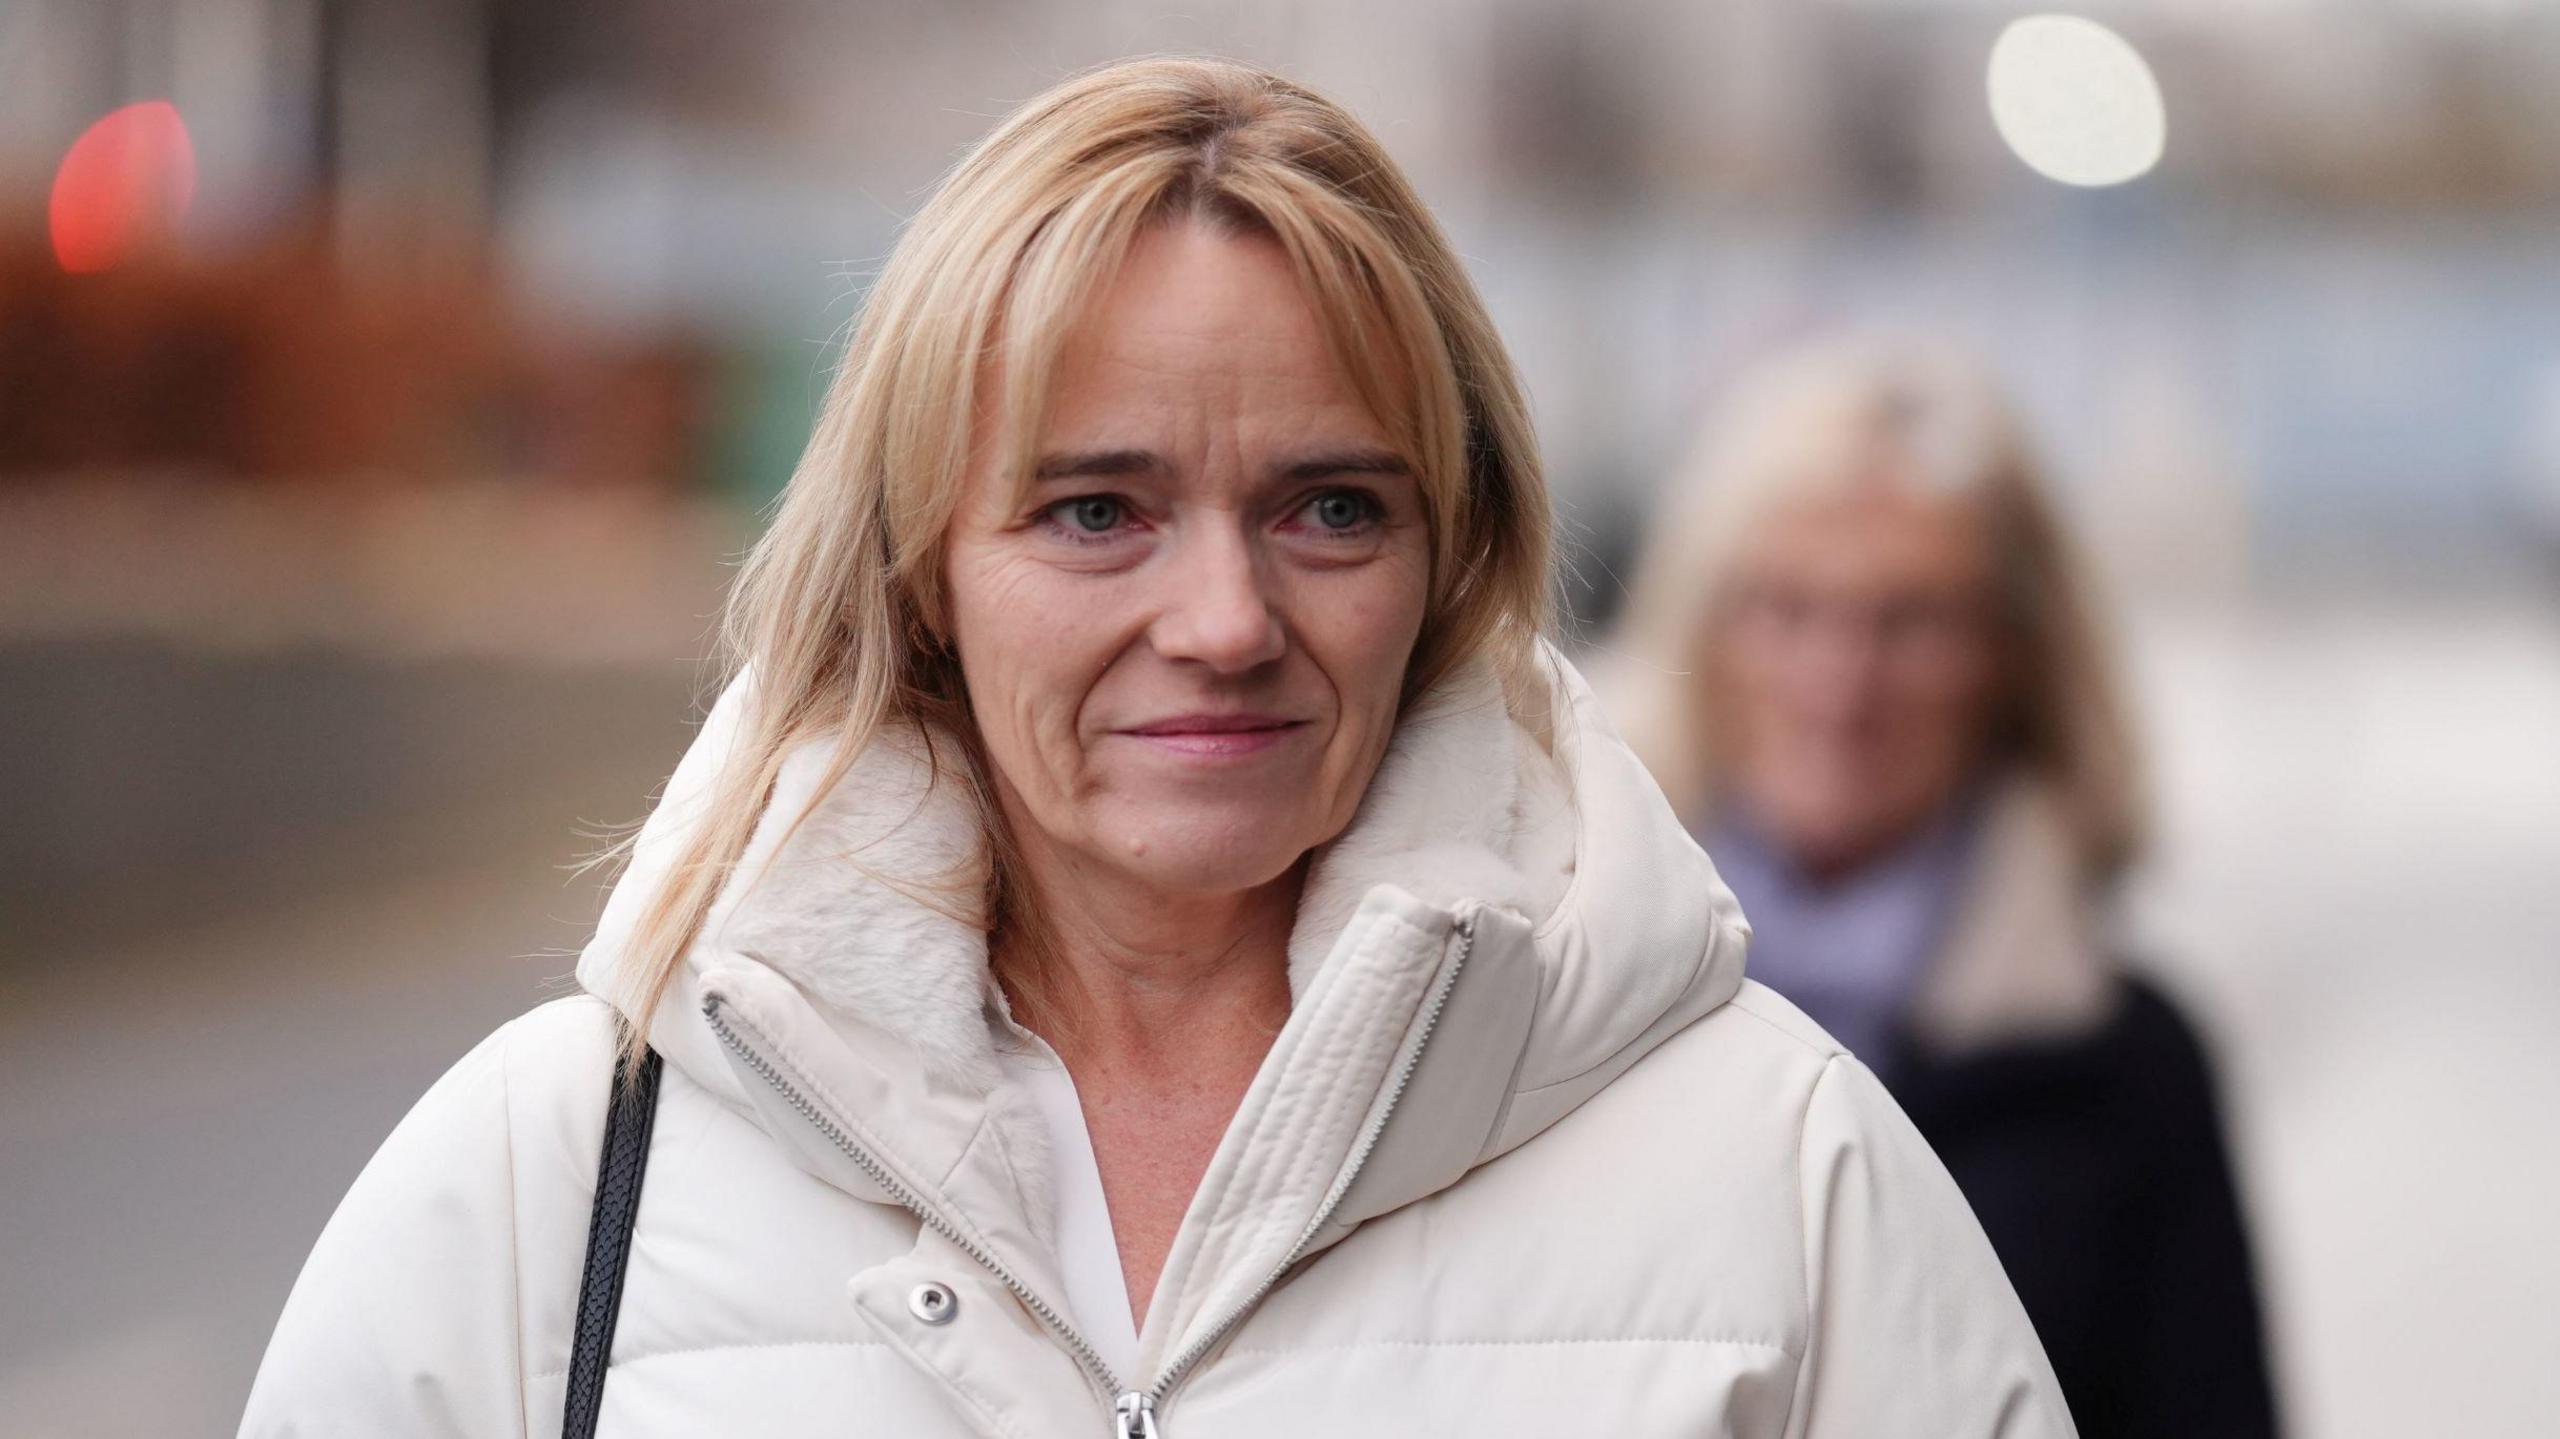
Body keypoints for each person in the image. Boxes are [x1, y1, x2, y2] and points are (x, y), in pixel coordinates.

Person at [240, 62, 2074, 1438]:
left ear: (1453, 559)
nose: (1224, 617)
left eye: (1333, 507)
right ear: (918, 570)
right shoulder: (554, 1175)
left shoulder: (1782, 1164)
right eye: (1098, 509)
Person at [1609, 335, 2280, 1439]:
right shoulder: (1559, 1018)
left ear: (2015, 654)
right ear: (1699, 633)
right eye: (1784, 609)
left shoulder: (2126, 1065)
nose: (1840, 681)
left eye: (1909, 620)